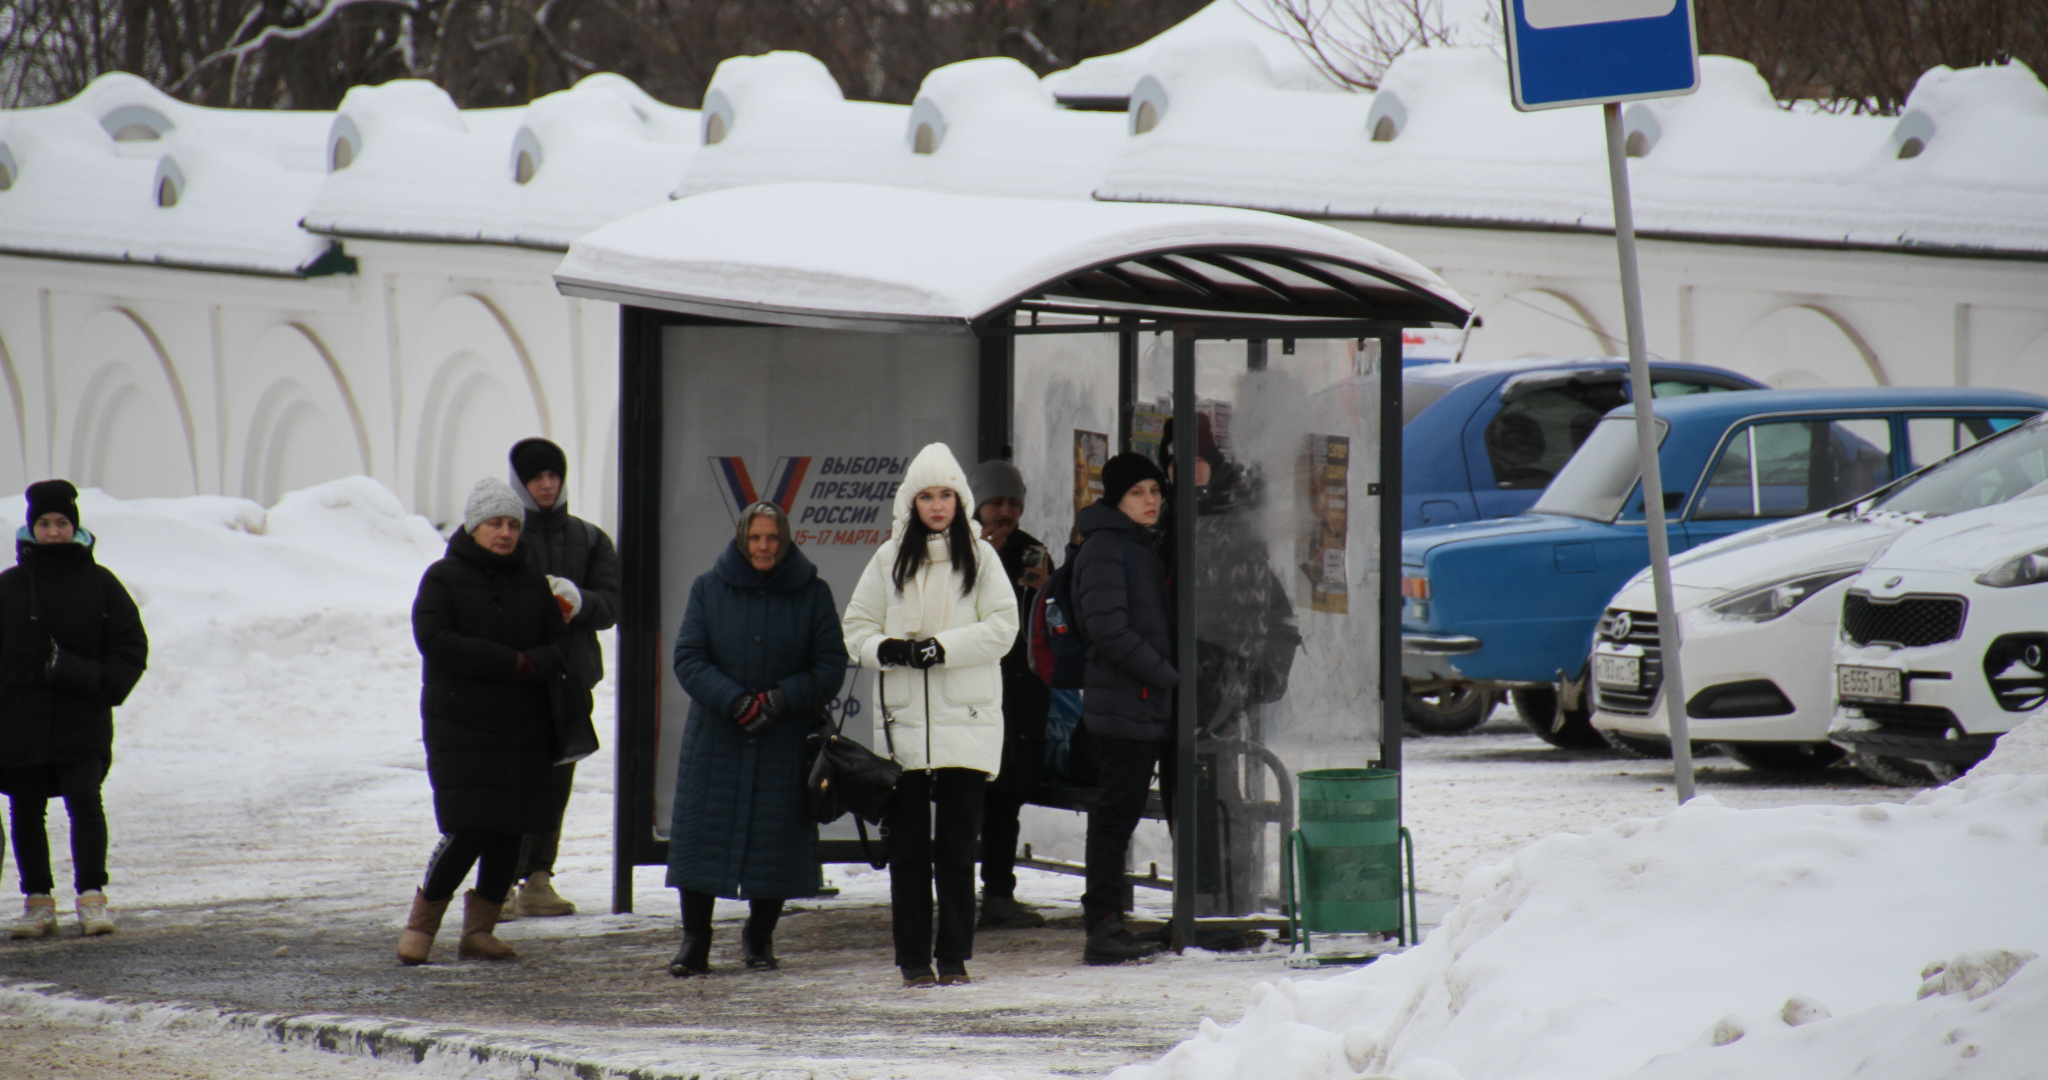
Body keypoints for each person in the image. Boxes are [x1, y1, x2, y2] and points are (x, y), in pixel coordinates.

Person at [842, 443, 1017, 988]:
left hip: (967, 721)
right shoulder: (887, 558)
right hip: (905, 732)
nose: (937, 505)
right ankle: (914, 960)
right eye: (927, 495)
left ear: (959, 498)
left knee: (958, 849)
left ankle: (956, 957)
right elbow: (856, 629)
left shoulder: (983, 558)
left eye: (946, 494)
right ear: (911, 502)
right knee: (910, 851)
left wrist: (940, 648)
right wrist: (889, 650)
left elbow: (1003, 629)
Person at [397, 478, 589, 965]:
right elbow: (436, 639)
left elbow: (560, 642)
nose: (504, 533)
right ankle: (421, 924)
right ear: (473, 526)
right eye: (493, 523)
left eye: (511, 524)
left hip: (523, 726)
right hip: (463, 728)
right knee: (469, 828)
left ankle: (478, 931)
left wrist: (538, 662)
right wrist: (510, 663)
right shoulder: (442, 577)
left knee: (512, 828)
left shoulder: (531, 580)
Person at [666, 501, 846, 977]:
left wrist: (784, 698)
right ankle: (695, 942)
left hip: (783, 740)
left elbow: (830, 666)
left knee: (775, 840)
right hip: (717, 739)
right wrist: (735, 701)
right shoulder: (708, 588)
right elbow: (688, 658)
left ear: (785, 540)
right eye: (755, 538)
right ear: (742, 539)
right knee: (701, 839)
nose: (764, 546)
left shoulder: (813, 593)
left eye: (772, 538)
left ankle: (760, 936)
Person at [0, 481, 147, 939]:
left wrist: (96, 681)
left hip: (80, 718)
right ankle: (38, 902)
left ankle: (92, 898)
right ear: (31, 528)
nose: (54, 531)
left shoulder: (100, 583)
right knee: (26, 809)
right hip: (19, 721)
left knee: (85, 802)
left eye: (62, 522)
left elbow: (130, 645)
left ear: (75, 527)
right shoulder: (9, 586)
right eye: (44, 523)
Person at [503, 437, 620, 919]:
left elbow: (613, 604)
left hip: (571, 682)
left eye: (553, 475)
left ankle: (539, 879)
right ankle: (499, 883)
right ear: (520, 483)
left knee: (557, 782)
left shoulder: (590, 539)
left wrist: (579, 600)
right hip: (517, 679)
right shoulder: (503, 536)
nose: (547, 485)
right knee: (511, 782)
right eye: (536, 477)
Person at [1072, 453, 1177, 965]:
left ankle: (1108, 918)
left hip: (1139, 701)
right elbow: (1108, 628)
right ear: (1117, 499)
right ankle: (1103, 924)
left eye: (1154, 490)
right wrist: (1165, 676)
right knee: (1115, 815)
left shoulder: (1138, 544)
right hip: (1125, 703)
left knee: (1120, 811)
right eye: (1137, 492)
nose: (1150, 500)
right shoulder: (1108, 547)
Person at [966, 459, 1054, 930]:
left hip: (1019, 697)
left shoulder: (1033, 552)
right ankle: (962, 890)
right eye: (995, 502)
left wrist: (1047, 592)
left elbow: (1056, 625)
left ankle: (998, 892)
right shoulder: (959, 551)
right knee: (966, 797)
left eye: (1012, 504)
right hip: (970, 693)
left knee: (1005, 799)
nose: (1004, 512)